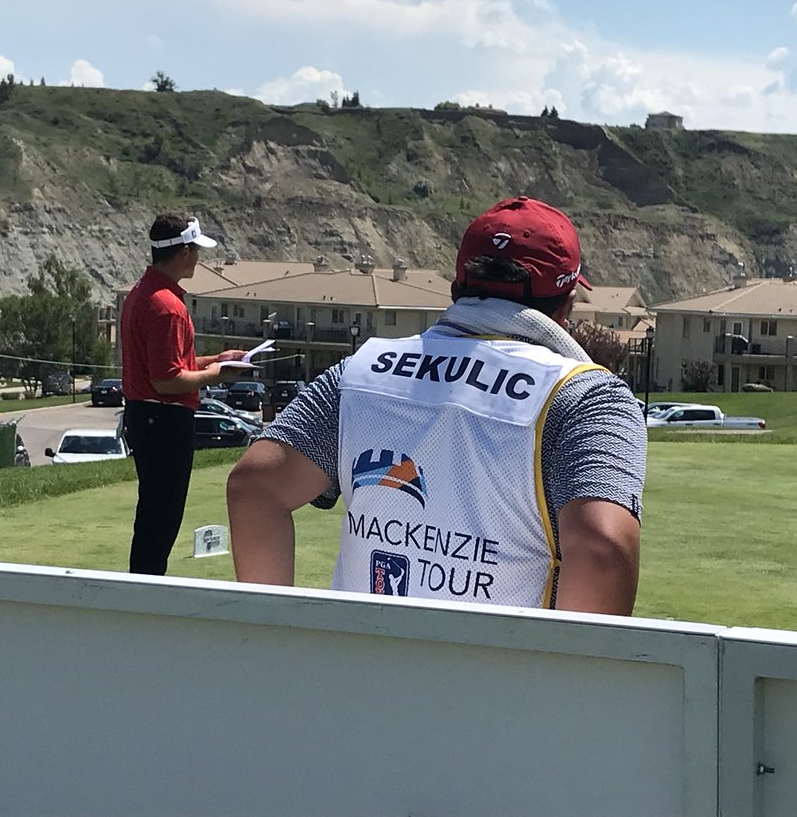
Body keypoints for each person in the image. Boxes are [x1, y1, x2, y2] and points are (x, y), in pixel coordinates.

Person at [227, 196, 645, 614]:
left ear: (457, 288)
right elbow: (602, 549)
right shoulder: (586, 397)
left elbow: (255, 487)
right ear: (566, 304)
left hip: (355, 670)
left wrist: (276, 633)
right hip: (502, 677)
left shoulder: (360, 372)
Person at [121, 213, 249, 575]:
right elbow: (168, 380)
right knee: (161, 518)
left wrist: (217, 359)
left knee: (153, 515)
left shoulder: (143, 294)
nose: (198, 258)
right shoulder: (168, 306)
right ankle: (146, 592)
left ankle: (144, 586)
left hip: (146, 416)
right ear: (183, 252)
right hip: (163, 419)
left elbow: (171, 363)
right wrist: (217, 374)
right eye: (196, 251)